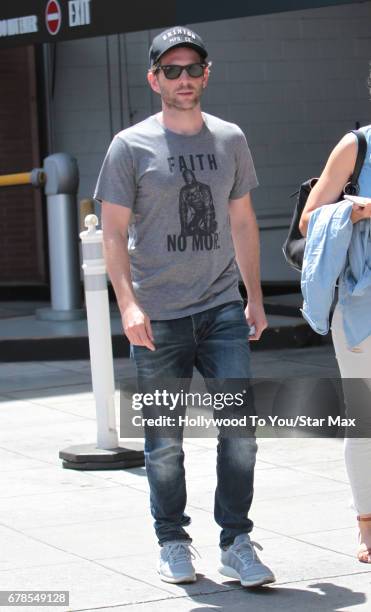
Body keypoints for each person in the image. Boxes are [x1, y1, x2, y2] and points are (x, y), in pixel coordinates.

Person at [94, 25, 275, 587]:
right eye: (171, 71)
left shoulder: (230, 139)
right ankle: (172, 540)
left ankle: (237, 540)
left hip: (221, 305)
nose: (184, 79)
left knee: (240, 429)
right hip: (159, 314)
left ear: (206, 74)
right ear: (154, 80)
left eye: (193, 69)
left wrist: (255, 297)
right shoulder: (129, 145)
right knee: (165, 441)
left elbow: (242, 219)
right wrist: (127, 305)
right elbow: (113, 232)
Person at [299, 126, 371, 564]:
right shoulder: (356, 145)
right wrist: (359, 212)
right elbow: (310, 219)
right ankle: (367, 523)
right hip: (361, 303)